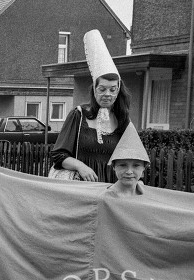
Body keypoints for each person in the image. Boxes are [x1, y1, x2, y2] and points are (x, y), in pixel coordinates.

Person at [50, 29, 132, 183]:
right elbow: (58, 155)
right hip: (81, 187)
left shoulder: (123, 120)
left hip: (109, 187)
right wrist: (81, 166)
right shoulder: (79, 115)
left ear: (118, 91)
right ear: (94, 90)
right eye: (102, 89)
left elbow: (132, 159)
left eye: (112, 89)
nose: (107, 94)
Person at [106, 123, 150, 197]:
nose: (129, 172)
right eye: (123, 165)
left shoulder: (147, 196)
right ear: (114, 167)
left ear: (143, 168)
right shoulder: (106, 198)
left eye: (136, 165)